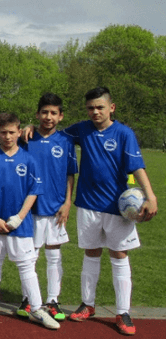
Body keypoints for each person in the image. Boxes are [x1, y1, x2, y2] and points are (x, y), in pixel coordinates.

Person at [23, 87, 158, 335]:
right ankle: (88, 304)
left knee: (119, 255)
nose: (95, 112)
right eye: (91, 108)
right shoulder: (81, 129)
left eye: (100, 107)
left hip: (118, 207)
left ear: (111, 108)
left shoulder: (124, 133)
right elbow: (52, 132)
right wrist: (27, 127)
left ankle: (122, 312)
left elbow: (137, 165)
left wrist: (150, 196)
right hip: (87, 204)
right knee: (91, 254)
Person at [0, 113, 59, 330]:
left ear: (19, 132)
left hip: (21, 224)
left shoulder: (28, 159)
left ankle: (37, 308)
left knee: (26, 265)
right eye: (3, 132)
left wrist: (19, 217)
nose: (8, 136)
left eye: (12, 132)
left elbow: (33, 192)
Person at [16, 93, 77, 321]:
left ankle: (52, 300)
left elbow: (70, 174)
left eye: (53, 113)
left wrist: (67, 202)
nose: (48, 117)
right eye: (44, 112)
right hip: (29, 209)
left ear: (60, 116)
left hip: (55, 208)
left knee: (54, 256)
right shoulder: (26, 138)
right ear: (37, 114)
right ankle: (28, 299)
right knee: (28, 257)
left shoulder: (66, 141)